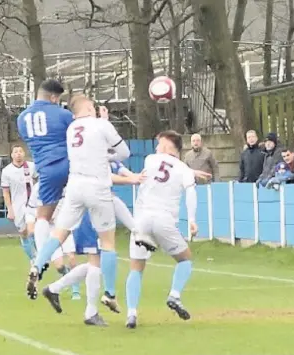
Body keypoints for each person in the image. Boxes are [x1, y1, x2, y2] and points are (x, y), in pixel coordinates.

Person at [29, 94, 130, 321]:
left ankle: (37, 265)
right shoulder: (100, 125)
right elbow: (124, 153)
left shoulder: (71, 128)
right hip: (97, 187)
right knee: (108, 243)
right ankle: (110, 293)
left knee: (58, 234)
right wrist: (105, 138)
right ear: (90, 107)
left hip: (74, 187)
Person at [125, 130, 198, 329]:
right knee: (185, 259)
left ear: (166, 146)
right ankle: (174, 295)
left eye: (159, 144)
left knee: (136, 268)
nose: (156, 148)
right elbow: (191, 192)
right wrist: (191, 219)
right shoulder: (184, 169)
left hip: (141, 220)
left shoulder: (150, 160)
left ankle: (131, 314)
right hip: (164, 219)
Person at [18, 79, 74, 295]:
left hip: (46, 169)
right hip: (68, 162)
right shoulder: (63, 114)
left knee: (43, 216)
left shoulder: (22, 118)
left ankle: (41, 260)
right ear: (53, 97)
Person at [26, 182, 81, 300]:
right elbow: (30, 211)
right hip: (50, 230)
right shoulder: (38, 189)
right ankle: (67, 278)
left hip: (65, 226)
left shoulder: (67, 187)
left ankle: (76, 290)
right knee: (59, 266)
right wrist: (31, 224)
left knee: (71, 257)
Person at [1, 145, 36, 261]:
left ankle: (40, 258)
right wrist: (10, 209)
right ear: (12, 155)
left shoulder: (31, 166)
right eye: (15, 152)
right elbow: (6, 192)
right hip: (17, 206)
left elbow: (40, 179)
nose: (18, 154)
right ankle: (32, 258)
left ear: (24, 153)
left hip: (32, 204)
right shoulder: (6, 171)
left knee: (33, 231)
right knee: (24, 233)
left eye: (20, 151)